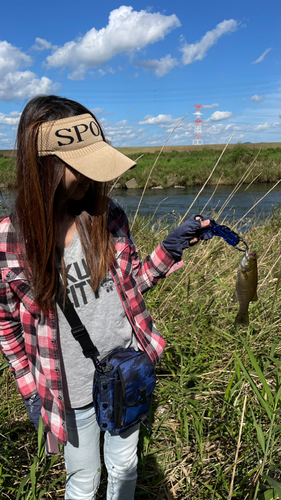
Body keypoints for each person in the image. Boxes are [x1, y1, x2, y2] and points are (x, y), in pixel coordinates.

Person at [0, 95, 212, 500]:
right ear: (43, 165)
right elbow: (7, 326)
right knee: (82, 480)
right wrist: (30, 390)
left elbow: (131, 285)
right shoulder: (10, 241)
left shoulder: (107, 215)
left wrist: (170, 250)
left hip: (127, 370)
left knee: (125, 464)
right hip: (68, 391)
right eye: (80, 167)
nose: (92, 179)